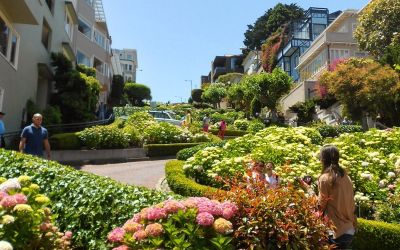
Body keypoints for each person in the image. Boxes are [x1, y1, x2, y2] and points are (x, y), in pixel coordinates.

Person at [318, 145, 356, 249]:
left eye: (321, 157)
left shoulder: (325, 178)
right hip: (349, 229)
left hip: (334, 231)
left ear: (324, 159)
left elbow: (321, 205)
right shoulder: (346, 177)